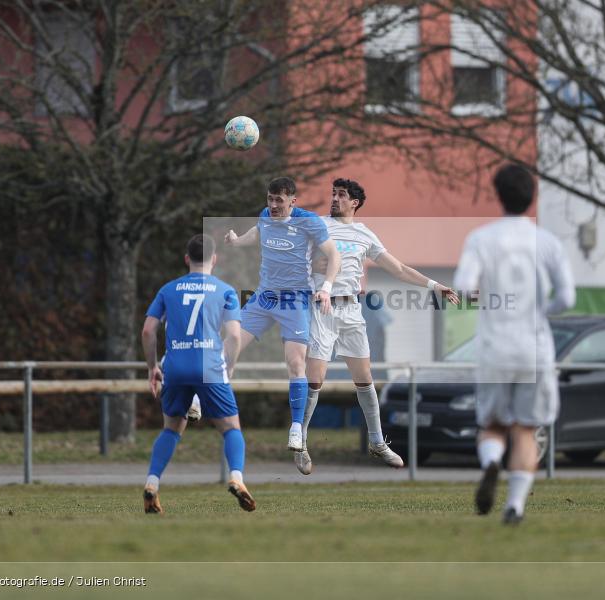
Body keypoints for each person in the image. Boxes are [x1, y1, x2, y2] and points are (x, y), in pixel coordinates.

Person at [296, 178, 460, 475]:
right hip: (322, 307)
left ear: (355, 202)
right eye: (333, 194)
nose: (334, 199)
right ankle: (302, 444)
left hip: (351, 309)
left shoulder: (363, 235)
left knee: (365, 377)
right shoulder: (317, 225)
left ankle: (376, 441)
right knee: (315, 379)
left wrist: (435, 285)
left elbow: (397, 269)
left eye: (341, 195)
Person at [453, 163, 575, 525]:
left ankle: (492, 462)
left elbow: (462, 287)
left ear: (498, 196)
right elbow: (567, 297)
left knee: (492, 425)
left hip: (494, 346)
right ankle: (515, 507)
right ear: (532, 197)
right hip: (534, 347)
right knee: (526, 428)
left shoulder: (480, 238)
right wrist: (540, 311)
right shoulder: (548, 242)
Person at [225, 177, 341, 452]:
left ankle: (297, 428)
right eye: (270, 199)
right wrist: (237, 240)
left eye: (279, 200)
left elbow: (334, 256)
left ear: (293, 201)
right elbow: (258, 230)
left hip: (295, 299)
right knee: (229, 345)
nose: (273, 205)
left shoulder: (309, 222)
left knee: (295, 362)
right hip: (264, 297)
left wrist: (326, 287)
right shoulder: (266, 216)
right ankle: (201, 400)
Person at [141, 234, 254, 514]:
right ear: (215, 259)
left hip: (175, 366)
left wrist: (152, 366)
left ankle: (152, 483)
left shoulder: (168, 290)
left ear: (186, 259)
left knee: (171, 428)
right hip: (210, 367)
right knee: (231, 429)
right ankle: (236, 478)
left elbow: (147, 331)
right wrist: (229, 366)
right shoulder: (225, 290)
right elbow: (235, 336)